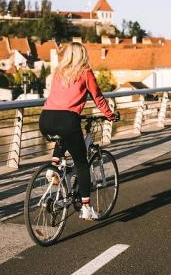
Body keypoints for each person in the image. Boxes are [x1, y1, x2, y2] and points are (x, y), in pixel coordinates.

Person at [39, 42, 116, 221]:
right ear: (83, 55)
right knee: (82, 164)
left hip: (46, 118)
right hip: (67, 119)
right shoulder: (85, 72)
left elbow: (58, 98)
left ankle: (54, 165)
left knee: (65, 135)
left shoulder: (58, 72)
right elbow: (98, 97)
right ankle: (86, 208)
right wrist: (110, 115)